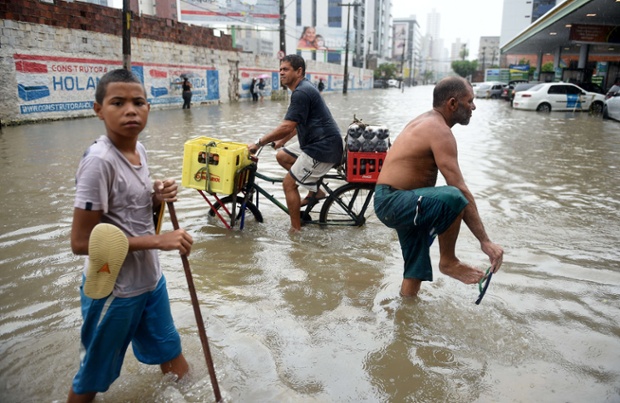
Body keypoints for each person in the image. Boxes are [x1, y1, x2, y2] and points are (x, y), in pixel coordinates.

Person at [67, 69, 194, 402]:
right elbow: (81, 243)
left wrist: (156, 197)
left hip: (151, 282)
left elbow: (132, 214)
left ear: (149, 108)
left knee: (174, 359)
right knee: (91, 379)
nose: (130, 111)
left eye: (138, 102)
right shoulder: (99, 162)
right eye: (118, 103)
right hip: (114, 290)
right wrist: (158, 241)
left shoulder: (141, 152)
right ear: (98, 109)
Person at [374, 76, 504, 298]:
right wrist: (485, 241)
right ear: (452, 104)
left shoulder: (429, 122)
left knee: (415, 270)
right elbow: (459, 190)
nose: (474, 106)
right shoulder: (439, 130)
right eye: (469, 101)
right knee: (453, 197)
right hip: (393, 200)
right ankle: (448, 261)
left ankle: (406, 316)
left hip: (405, 200)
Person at [248, 55, 343, 232]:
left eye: (286, 69)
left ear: (299, 71)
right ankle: (316, 191)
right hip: (316, 140)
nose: (281, 73)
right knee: (282, 155)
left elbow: (287, 125)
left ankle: (296, 231)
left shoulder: (301, 92)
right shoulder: (302, 89)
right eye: (280, 69)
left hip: (323, 147)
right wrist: (281, 141)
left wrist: (258, 143)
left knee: (288, 184)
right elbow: (296, 123)